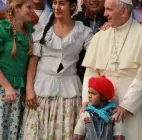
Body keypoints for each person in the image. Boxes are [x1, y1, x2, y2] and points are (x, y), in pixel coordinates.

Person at [81, 0, 142, 139]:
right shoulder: (100, 36)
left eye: (109, 10)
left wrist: (127, 105)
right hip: (103, 106)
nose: (105, 13)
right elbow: (90, 72)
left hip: (137, 105)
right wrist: (87, 100)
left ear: (124, 12)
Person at [22, 0, 93, 139]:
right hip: (41, 91)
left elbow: (95, 55)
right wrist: (29, 89)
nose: (57, 7)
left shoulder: (83, 31)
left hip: (69, 92)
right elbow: (33, 61)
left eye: (62, 3)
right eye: (54, 3)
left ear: (73, 6)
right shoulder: (42, 29)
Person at [0, 0, 33, 139]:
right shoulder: (2, 28)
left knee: (13, 133)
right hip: (3, 89)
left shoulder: (29, 31)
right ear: (17, 8)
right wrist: (7, 86)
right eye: (29, 7)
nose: (32, 11)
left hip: (19, 92)